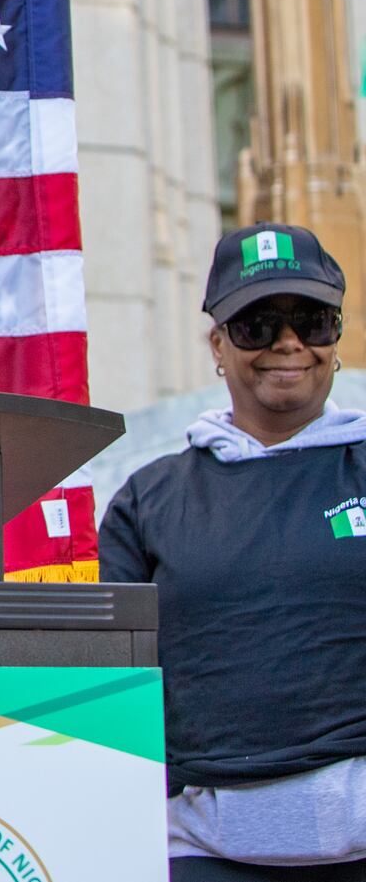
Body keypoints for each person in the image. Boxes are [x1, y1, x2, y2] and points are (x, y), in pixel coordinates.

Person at [100, 223, 366, 881]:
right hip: (205, 854)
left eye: (312, 320)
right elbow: (110, 677)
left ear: (336, 336)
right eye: (257, 323)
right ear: (217, 343)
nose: (288, 343)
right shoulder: (148, 499)